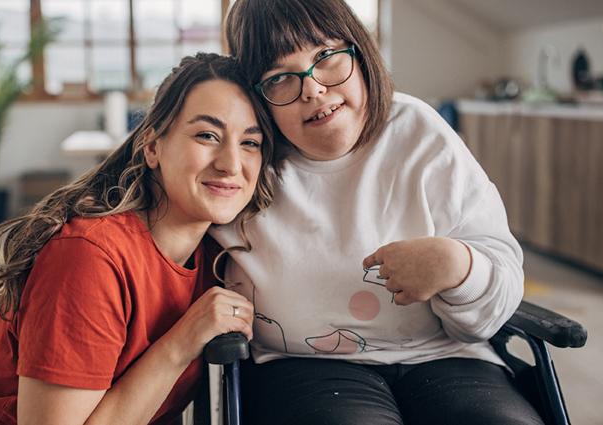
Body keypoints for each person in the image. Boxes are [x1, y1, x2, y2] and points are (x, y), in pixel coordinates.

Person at [209, 1, 544, 424]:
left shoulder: (419, 131)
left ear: (360, 51)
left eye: (326, 57)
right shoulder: (244, 158)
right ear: (255, 97)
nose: (312, 89)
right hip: (302, 364)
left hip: (447, 354)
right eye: (279, 78)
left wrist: (459, 267)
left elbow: (496, 294)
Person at [0, 52, 278, 425]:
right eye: (207, 135)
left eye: (250, 143)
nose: (231, 163)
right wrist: (182, 342)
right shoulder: (88, 258)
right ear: (152, 147)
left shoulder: (217, 255)